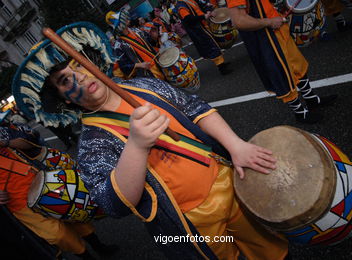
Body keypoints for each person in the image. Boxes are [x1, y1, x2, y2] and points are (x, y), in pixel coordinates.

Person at [13, 22, 289, 259]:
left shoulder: (144, 85)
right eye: (64, 80)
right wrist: (136, 145)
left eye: (78, 62)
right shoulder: (90, 143)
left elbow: (197, 109)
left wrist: (236, 145)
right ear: (63, 97)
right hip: (185, 226)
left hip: (228, 182)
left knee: (271, 250)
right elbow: (114, 204)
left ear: (91, 59)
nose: (80, 76)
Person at [0, 123, 117, 260]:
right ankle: (87, 257)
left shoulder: (3, 130)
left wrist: (6, 142)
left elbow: (31, 141)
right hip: (17, 202)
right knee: (58, 235)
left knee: (76, 216)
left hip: (44, 181)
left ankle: (99, 247)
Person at [227, 0, 337, 123]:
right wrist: (269, 22)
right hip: (267, 38)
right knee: (283, 76)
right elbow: (239, 21)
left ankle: (312, 100)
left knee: (298, 66)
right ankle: (300, 113)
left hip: (278, 29)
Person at [175, 0, 233, 75]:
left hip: (203, 25)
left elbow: (201, 7)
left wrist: (208, 11)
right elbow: (188, 19)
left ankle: (222, 63)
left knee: (214, 44)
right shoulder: (181, 4)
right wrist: (204, 16)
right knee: (211, 46)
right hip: (198, 29)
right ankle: (222, 68)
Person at [106, 10, 166, 80]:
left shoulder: (136, 31)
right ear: (120, 24)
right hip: (147, 72)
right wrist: (140, 65)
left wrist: (156, 37)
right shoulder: (119, 45)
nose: (127, 19)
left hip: (158, 63)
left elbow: (151, 42)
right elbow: (123, 66)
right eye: (124, 19)